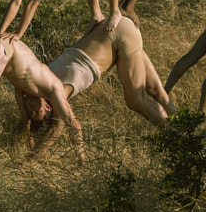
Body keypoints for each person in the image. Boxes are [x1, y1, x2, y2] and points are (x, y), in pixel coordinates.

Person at [18, 17, 174, 143]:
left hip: (114, 32)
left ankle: (178, 137)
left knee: (136, 101)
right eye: (36, 111)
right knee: (156, 91)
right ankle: (185, 130)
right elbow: (55, 129)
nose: (31, 108)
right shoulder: (56, 93)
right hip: (115, 34)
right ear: (49, 106)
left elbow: (51, 129)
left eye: (31, 110)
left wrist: (26, 125)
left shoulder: (35, 83)